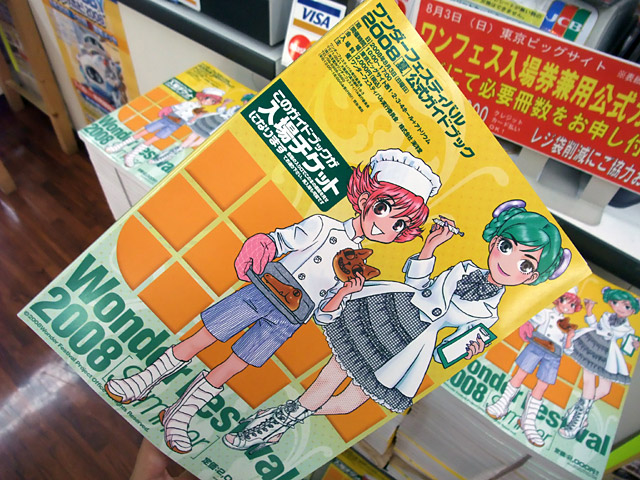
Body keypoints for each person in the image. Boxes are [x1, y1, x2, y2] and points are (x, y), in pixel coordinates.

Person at [104, 149, 441, 454]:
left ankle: (180, 415)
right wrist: (262, 244)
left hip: (290, 319)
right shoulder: (323, 226)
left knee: (234, 364)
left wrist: (343, 293)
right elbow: (281, 240)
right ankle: (143, 381)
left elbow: (324, 316)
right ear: (365, 199)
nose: (385, 226)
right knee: (202, 338)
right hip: (262, 292)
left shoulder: (360, 268)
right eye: (383, 209)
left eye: (399, 224)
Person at [224, 199, 572, 452]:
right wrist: (430, 247)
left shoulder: (490, 314)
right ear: (495, 242)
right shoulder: (463, 268)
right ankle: (269, 427)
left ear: (533, 278)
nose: (509, 262)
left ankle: (283, 416)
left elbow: (446, 353)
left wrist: (468, 350)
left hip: (410, 350)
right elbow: (418, 284)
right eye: (507, 247)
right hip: (391, 312)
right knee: (328, 380)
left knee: (348, 404)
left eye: (525, 265)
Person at [485, 289, 582, 447]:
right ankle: (502, 404)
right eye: (566, 301)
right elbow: (530, 322)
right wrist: (526, 326)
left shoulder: (569, 327)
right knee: (520, 375)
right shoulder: (545, 313)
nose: (568, 307)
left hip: (554, 356)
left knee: (542, 386)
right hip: (536, 346)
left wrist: (570, 337)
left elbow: (568, 350)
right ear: (558, 299)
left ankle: (527, 421)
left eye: (572, 305)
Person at [559, 287, 639, 439]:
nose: (620, 308)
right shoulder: (607, 315)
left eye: (627, 306)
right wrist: (589, 311)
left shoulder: (628, 329)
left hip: (609, 354)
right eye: (616, 302)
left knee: (605, 389)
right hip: (592, 345)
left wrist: (634, 345)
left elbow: (626, 347)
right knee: (589, 381)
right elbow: (595, 327)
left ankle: (577, 409)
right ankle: (576, 423)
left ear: (633, 311)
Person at [105, 88, 226, 167]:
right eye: (209, 99)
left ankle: (131, 155)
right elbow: (175, 108)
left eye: (213, 101)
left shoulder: (200, 111)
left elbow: (189, 123)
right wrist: (167, 109)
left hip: (175, 125)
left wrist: (195, 118)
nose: (209, 102)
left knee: (153, 140)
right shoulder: (189, 104)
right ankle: (119, 146)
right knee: (143, 133)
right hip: (167, 119)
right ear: (202, 96)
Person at [152, 93, 255, 164]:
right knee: (192, 136)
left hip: (220, 127)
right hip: (214, 120)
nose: (247, 103)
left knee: (200, 141)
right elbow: (222, 112)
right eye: (247, 101)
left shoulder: (248, 114)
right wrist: (224, 104)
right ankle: (173, 151)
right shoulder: (236, 107)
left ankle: (176, 150)